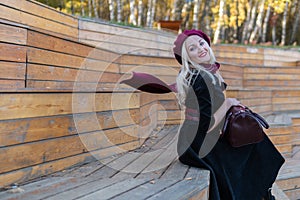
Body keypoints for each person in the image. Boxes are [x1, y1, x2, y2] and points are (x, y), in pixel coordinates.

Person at [173, 29, 285, 200]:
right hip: (199, 143)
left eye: (201, 43)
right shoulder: (202, 79)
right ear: (187, 56)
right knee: (255, 147)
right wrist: (229, 103)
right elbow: (207, 124)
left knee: (254, 142)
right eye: (192, 48)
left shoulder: (203, 72)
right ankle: (258, 193)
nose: (200, 49)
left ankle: (260, 191)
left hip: (191, 138)